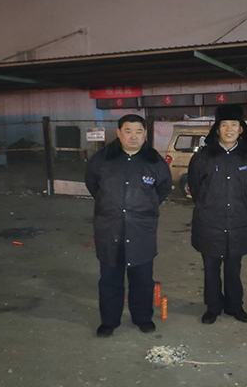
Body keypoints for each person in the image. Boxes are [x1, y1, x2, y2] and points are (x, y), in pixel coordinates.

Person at [85, 114, 171, 337]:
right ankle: (109, 321)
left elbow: (163, 189)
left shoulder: (154, 162)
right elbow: (93, 185)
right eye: (128, 131)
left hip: (141, 229)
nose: (134, 136)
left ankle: (142, 317)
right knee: (109, 279)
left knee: (142, 278)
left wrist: (143, 208)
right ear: (119, 133)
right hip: (109, 228)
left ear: (145, 134)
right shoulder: (102, 159)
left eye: (139, 132)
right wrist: (111, 206)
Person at [188, 104, 247, 325]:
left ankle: (235, 306)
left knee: (233, 268)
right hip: (210, 223)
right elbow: (195, 188)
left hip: (237, 222)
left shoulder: (246, 157)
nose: (229, 129)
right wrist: (209, 207)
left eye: (234, 125)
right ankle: (213, 307)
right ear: (217, 129)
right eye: (224, 125)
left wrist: (240, 207)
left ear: (241, 129)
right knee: (210, 268)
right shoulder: (204, 156)